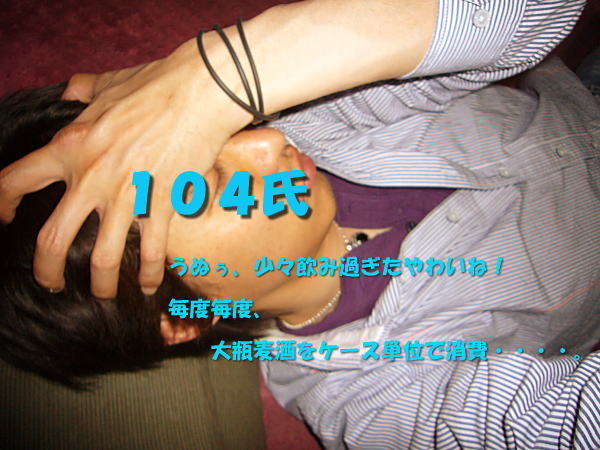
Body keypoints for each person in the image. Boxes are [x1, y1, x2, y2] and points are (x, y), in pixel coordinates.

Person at [0, 0, 599, 448]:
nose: (266, 141)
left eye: (208, 138)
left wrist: (221, 78)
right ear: (185, 319)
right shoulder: (372, 399)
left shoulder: (317, 117)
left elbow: (536, 14)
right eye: (205, 186)